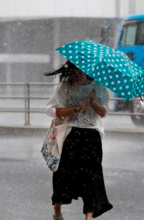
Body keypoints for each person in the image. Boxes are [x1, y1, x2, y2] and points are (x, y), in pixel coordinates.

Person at [44, 61, 113, 220]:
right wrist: (75, 109)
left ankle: (88, 216)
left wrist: (93, 103)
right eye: (76, 71)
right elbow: (51, 110)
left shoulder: (98, 86)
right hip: (71, 134)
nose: (79, 74)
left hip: (92, 136)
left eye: (82, 71)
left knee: (92, 176)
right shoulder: (66, 87)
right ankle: (57, 210)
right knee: (62, 173)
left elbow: (103, 113)